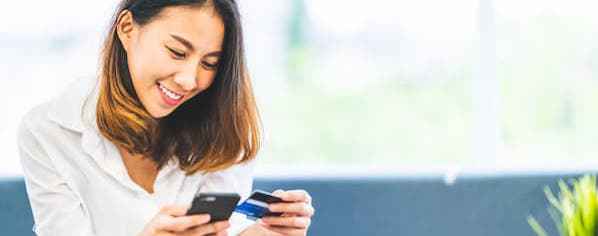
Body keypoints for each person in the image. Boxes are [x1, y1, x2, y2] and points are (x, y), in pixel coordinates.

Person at [17, 0, 315, 235]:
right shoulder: (49, 132)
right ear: (127, 28)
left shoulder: (224, 131)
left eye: (210, 63)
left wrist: (258, 235)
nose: (190, 80)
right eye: (176, 52)